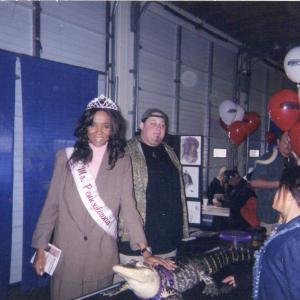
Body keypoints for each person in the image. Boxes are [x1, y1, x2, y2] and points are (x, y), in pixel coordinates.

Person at [32, 96, 174, 300]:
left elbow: (129, 206)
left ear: (113, 129)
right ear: (85, 127)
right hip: (67, 255)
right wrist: (40, 248)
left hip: (102, 257)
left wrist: (145, 250)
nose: (98, 132)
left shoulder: (122, 161)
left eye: (105, 126)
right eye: (93, 125)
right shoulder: (66, 157)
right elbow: (51, 205)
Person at [118, 108, 189, 264]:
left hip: (168, 241)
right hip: (138, 244)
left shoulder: (169, 151)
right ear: (141, 125)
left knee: (166, 286)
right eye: (153, 123)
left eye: (162, 125)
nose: (158, 128)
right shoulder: (125, 151)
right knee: (136, 287)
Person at [253, 165, 300, 300]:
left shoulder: (294, 239)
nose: (275, 193)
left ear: (290, 194)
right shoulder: (287, 230)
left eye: (280, 188)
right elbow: (278, 273)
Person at [250, 131, 294, 234]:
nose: (288, 145)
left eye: (290, 142)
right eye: (285, 142)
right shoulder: (267, 158)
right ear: (278, 142)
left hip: (289, 218)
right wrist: (278, 184)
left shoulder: (293, 161)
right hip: (270, 217)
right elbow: (254, 182)